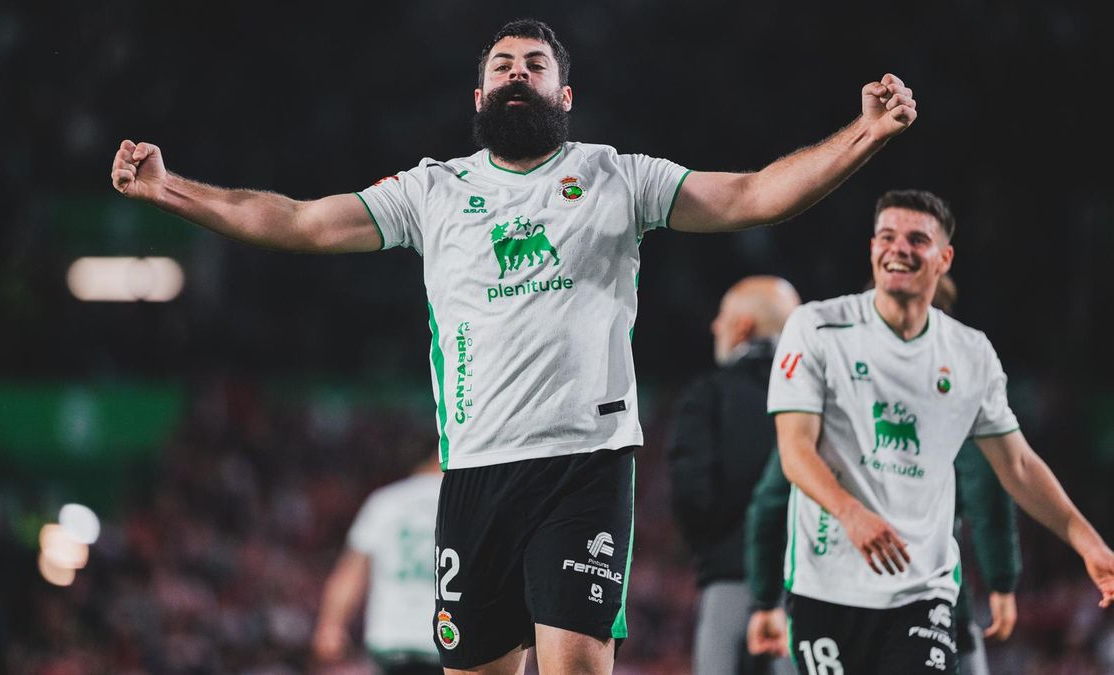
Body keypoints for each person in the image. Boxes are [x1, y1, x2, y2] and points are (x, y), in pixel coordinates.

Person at [111, 18, 919, 674]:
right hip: (474, 475)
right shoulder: (432, 191)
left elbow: (749, 197)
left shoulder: (615, 176)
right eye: (502, 64)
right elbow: (298, 220)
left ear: (564, 93)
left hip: (585, 464)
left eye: (534, 63)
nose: (517, 73)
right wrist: (166, 187)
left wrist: (867, 132)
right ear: (479, 93)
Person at [765, 189, 1114, 674]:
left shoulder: (971, 354)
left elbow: (1016, 464)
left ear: (944, 258)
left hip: (921, 588)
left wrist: (1087, 540)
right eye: (886, 236)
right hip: (827, 586)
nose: (898, 248)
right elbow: (794, 450)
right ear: (872, 249)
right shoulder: (817, 328)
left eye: (916, 239)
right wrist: (851, 513)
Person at [743, 277, 1023, 675]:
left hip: (835, 603)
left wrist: (765, 600)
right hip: (928, 606)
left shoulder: (831, 408)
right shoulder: (953, 396)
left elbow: (771, 501)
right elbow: (988, 487)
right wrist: (1001, 581)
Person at [665, 276, 800, 675]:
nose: (714, 327)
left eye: (722, 318)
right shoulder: (822, 396)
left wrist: (713, 548)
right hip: (804, 589)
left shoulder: (708, 395)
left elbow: (691, 494)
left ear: (743, 327)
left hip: (729, 581)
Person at [312, 455, 442, 675]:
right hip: (447, 637)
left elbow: (352, 571)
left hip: (391, 635)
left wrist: (330, 624)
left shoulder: (386, 501)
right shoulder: (467, 504)